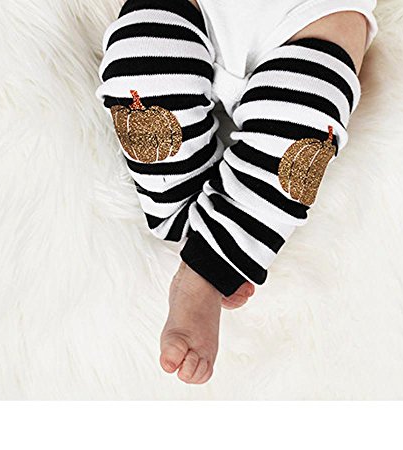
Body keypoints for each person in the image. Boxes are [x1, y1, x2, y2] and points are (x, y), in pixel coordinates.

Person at [96, 0, 377, 384]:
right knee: (141, 57)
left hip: (310, 18)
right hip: (195, 8)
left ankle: (207, 267)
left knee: (308, 117)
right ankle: (207, 238)